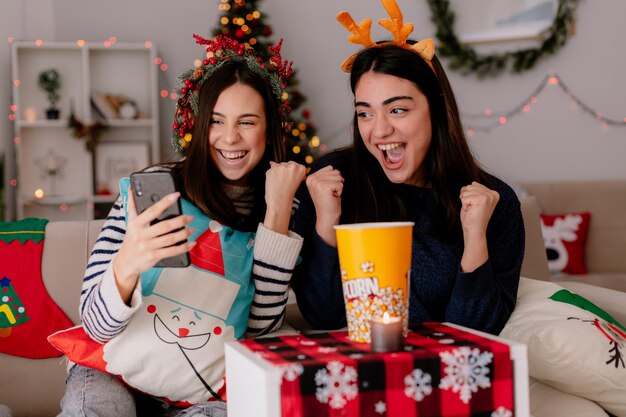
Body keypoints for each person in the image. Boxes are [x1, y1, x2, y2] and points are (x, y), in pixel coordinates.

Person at [58, 34, 306, 417]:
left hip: (199, 388)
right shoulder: (155, 188)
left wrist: (276, 214)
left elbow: (260, 332)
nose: (229, 137)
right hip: (110, 368)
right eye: (217, 121)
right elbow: (94, 325)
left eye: (247, 121)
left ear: (268, 128)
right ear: (200, 124)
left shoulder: (282, 204)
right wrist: (126, 266)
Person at [292, 0, 524, 336]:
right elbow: (323, 318)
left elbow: (478, 334)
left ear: (437, 111)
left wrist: (475, 238)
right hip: (362, 373)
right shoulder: (330, 181)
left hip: (449, 377)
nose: (379, 130)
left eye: (397, 110)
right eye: (365, 113)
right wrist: (328, 222)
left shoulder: (494, 202)